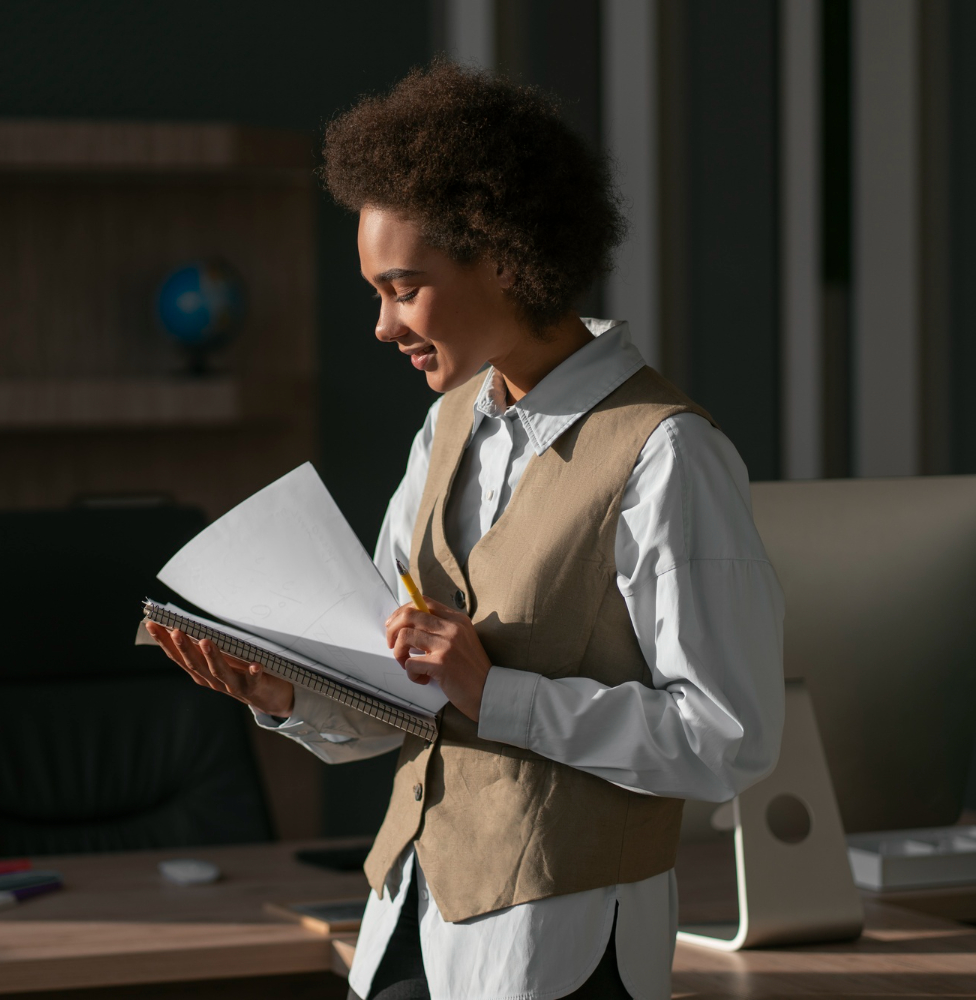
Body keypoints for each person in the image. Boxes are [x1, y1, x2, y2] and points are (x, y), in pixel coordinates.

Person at [144, 62, 784, 1000]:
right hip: (408, 919)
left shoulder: (666, 455)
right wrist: (289, 693)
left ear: (504, 252)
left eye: (402, 288)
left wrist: (500, 695)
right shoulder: (445, 427)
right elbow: (398, 695)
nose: (381, 325)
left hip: (560, 946)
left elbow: (728, 740)